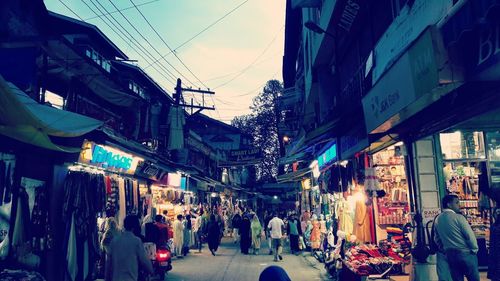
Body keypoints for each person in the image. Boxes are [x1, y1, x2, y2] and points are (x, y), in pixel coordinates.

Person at [434, 195, 479, 281]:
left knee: (457, 278)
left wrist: (444, 249)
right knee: (473, 278)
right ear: (449, 204)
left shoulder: (438, 219)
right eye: (457, 202)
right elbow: (469, 235)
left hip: (450, 255)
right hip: (465, 253)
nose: (459, 205)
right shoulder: (459, 217)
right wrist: (474, 249)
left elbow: (437, 238)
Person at [106, 215, 153, 281]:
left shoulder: (114, 241)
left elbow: (108, 263)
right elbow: (144, 260)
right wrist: (151, 271)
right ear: (135, 227)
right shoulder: (136, 241)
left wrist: (107, 278)